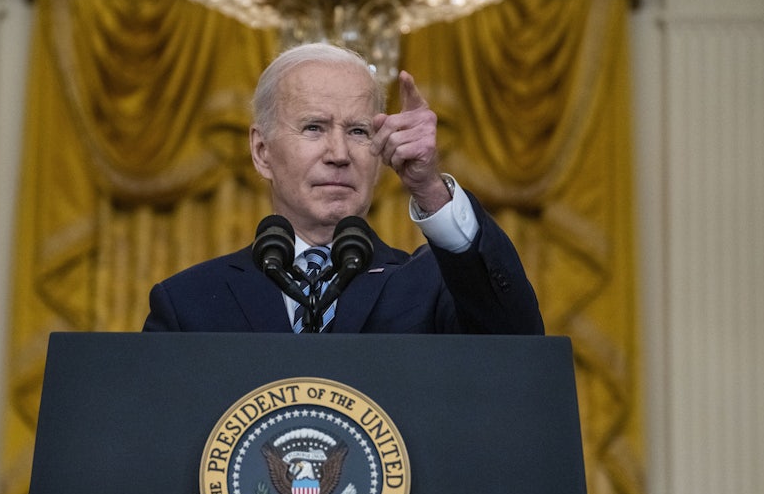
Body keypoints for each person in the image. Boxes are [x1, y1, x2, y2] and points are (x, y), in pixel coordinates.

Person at [142, 43, 543, 335]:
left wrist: (429, 188)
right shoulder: (189, 304)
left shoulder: (430, 287)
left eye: (358, 131)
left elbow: (516, 348)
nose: (339, 153)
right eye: (314, 127)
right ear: (262, 151)